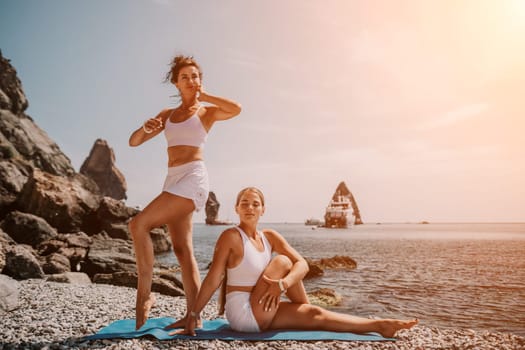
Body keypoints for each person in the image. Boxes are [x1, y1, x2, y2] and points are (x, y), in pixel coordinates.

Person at [172, 187, 418, 337]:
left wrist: (282, 285)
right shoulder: (231, 237)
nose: (249, 207)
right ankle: (299, 304)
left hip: (264, 303)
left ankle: (379, 325)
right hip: (244, 312)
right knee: (281, 262)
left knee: (314, 313)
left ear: (263, 210)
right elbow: (214, 277)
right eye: (244, 203)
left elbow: (303, 264)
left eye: (255, 204)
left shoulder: (270, 236)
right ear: (236, 208)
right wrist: (193, 314)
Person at [128, 55, 241, 330]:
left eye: (195, 76)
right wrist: (145, 128)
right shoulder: (167, 115)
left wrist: (206, 94)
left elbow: (236, 108)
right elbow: (134, 142)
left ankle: (144, 295)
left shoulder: (206, 112)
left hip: (193, 178)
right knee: (182, 249)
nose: (191, 81)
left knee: (138, 224)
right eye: (185, 77)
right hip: (172, 179)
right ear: (176, 83)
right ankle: (194, 316)